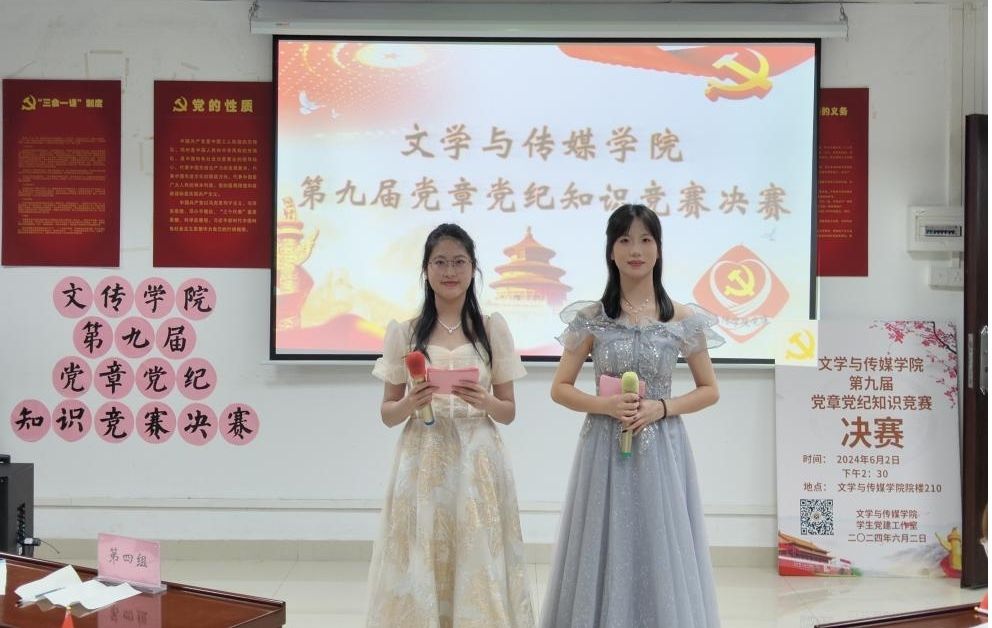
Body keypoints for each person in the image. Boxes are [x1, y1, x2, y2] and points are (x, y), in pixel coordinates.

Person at [541, 204, 723, 628]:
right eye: (624, 240)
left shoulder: (683, 319)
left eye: (645, 239)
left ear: (658, 249)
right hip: (603, 448)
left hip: (662, 450)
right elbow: (560, 387)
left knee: (660, 546)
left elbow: (709, 390)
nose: (635, 250)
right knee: (604, 542)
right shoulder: (592, 319)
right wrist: (604, 406)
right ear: (611, 250)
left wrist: (663, 407)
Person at [367, 223, 534, 628]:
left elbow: (508, 411)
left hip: (477, 458)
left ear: (473, 268)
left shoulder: (491, 329)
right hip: (422, 456)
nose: (449, 271)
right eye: (440, 262)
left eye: (459, 262)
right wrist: (411, 402)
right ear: (426, 270)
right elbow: (387, 414)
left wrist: (485, 401)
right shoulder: (406, 332)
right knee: (422, 548)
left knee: (477, 551)